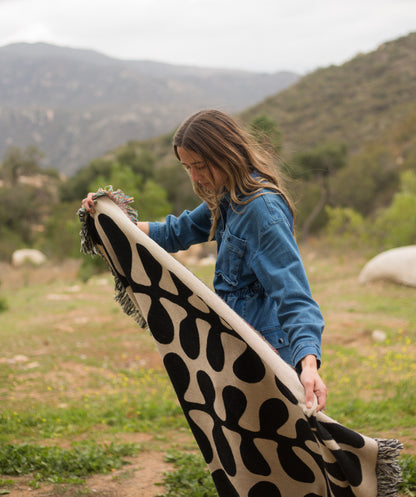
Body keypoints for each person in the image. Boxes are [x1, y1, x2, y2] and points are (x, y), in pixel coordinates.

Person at [82, 109, 327, 411]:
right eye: (188, 168)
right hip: (238, 349)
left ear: (227, 153)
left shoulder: (262, 209)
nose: (196, 177)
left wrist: (309, 366)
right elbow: (175, 232)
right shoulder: (228, 196)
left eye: (201, 165)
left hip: (271, 357)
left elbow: (294, 295)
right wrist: (108, 215)